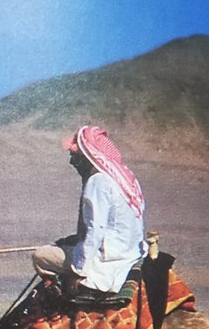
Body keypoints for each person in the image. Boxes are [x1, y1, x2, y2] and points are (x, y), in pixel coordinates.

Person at [31, 125, 147, 295]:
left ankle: (67, 294)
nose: (72, 162)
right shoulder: (126, 178)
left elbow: (96, 229)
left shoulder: (98, 181)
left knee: (41, 255)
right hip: (129, 253)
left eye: (75, 157)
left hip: (108, 259)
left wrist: (80, 271)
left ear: (88, 156)